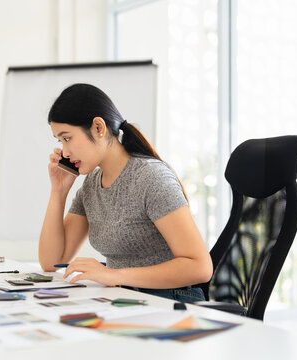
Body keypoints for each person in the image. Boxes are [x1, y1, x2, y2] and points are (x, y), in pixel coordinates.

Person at [39, 83, 212, 302]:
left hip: (170, 302)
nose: (64, 151)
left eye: (67, 138)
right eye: (60, 141)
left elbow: (200, 267)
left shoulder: (151, 178)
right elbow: (51, 262)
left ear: (98, 128)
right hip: (124, 299)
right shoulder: (91, 184)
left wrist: (112, 275)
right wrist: (58, 191)